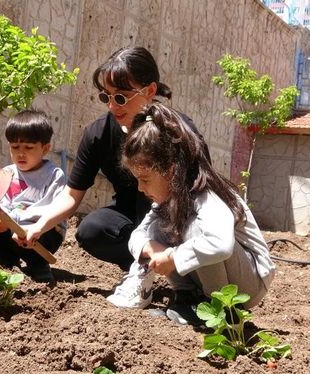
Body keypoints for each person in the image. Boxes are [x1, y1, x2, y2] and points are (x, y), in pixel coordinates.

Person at [22, 47, 209, 305]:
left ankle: (181, 276)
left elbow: (202, 191)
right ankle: (143, 264)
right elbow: (72, 195)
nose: (112, 106)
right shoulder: (97, 134)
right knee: (91, 230)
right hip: (131, 218)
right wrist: (38, 225)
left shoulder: (179, 131)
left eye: (121, 97)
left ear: (150, 91)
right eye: (106, 96)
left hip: (178, 217)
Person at [122, 103, 276, 325]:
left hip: (249, 282)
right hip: (223, 275)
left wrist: (173, 257)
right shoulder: (171, 199)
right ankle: (189, 300)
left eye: (145, 179)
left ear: (171, 170)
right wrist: (151, 248)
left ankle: (224, 310)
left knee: (196, 229)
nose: (140, 188)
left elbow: (221, 244)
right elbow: (137, 235)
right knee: (157, 227)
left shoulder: (207, 195)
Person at [0, 109, 66, 283]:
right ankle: (7, 258)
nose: (21, 153)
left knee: (25, 231)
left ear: (45, 149)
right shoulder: (6, 173)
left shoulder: (53, 175)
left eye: (28, 147)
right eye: (15, 147)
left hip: (44, 232)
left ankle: (38, 264)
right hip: (11, 227)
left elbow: (49, 209)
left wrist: (14, 220)